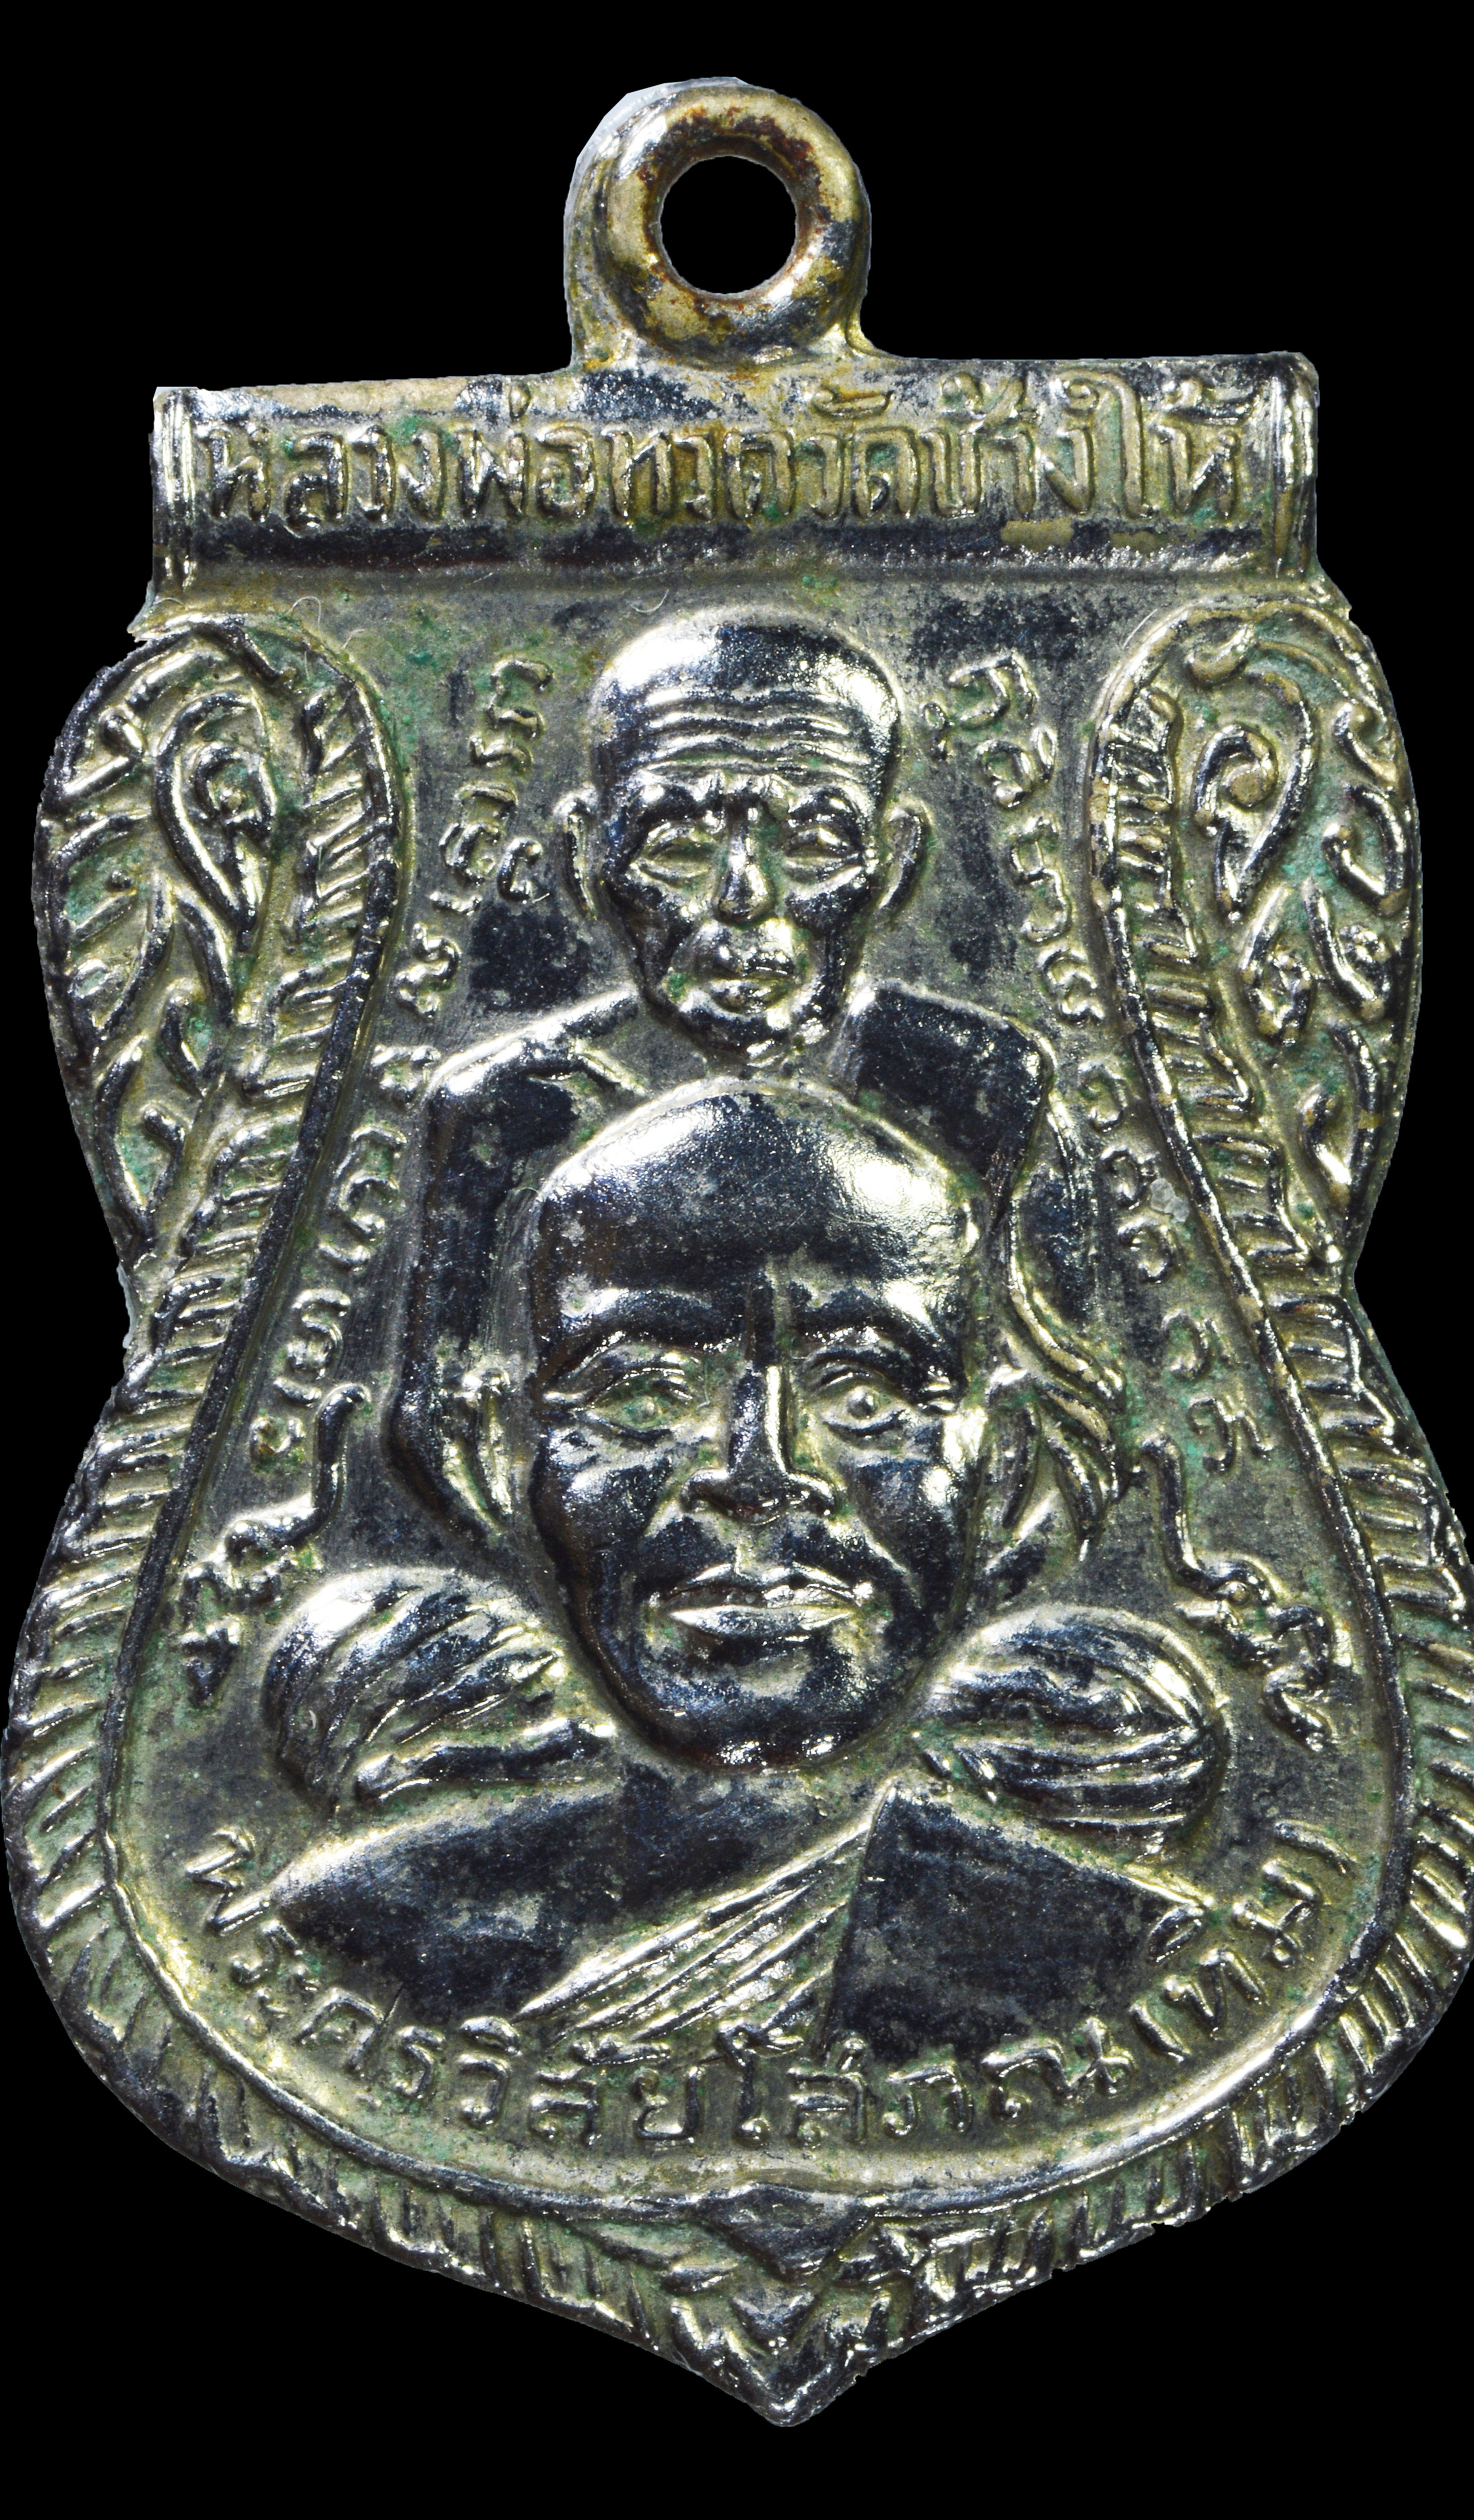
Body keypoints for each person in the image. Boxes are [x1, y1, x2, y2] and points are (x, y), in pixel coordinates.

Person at [234, 1082, 1219, 2064]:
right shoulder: (358, 1930)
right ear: (501, 1457)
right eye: (642, 1395)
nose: (760, 1475)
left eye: (866, 1396)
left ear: (1002, 1464)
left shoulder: (1113, 1946)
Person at [389, 611, 1110, 1549]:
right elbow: (444, 1454)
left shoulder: (985, 1097)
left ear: (893, 866)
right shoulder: (506, 1114)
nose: (745, 895)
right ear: (586, 857)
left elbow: (1068, 1450)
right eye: (677, 847)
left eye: (812, 846)